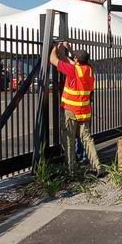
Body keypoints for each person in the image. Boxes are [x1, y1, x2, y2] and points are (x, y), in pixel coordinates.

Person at [49, 42, 101, 174]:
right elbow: (71, 61)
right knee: (87, 138)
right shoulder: (89, 69)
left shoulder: (72, 70)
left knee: (69, 138)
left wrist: (56, 46)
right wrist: (68, 50)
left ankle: (72, 169)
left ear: (77, 60)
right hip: (84, 111)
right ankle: (97, 166)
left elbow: (53, 60)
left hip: (71, 110)